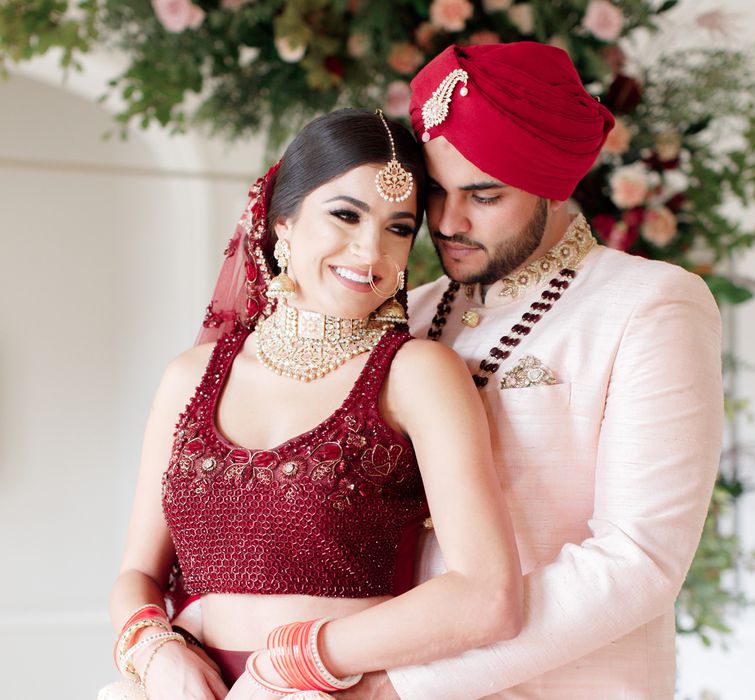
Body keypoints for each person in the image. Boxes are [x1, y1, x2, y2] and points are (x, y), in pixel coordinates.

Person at [337, 43, 724, 700]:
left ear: (553, 182)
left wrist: (399, 683)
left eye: (484, 196)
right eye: (436, 191)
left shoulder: (650, 305)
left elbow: (638, 559)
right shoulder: (409, 311)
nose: (449, 223)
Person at [103, 108, 524, 700]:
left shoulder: (416, 374)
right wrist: (156, 651)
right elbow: (138, 574)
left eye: (399, 228)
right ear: (283, 223)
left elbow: (489, 598)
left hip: (336, 690)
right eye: (346, 215)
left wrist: (294, 662)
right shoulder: (190, 377)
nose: (370, 249)